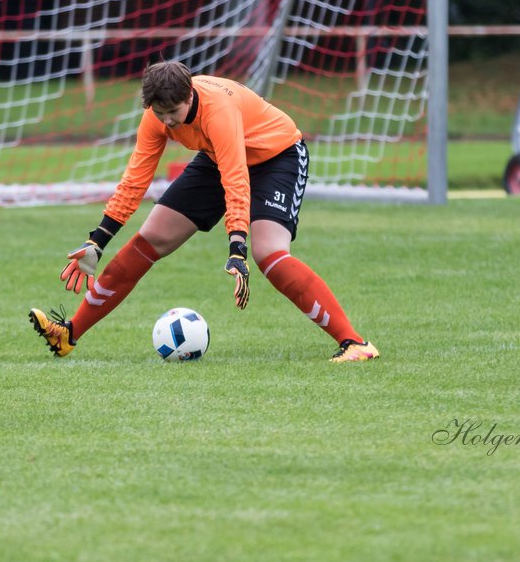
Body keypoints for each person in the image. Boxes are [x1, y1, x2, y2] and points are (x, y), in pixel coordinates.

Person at [29, 60, 379, 363]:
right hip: (215, 158)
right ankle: (68, 334)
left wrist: (237, 247)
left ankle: (354, 343)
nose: (167, 123)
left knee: (268, 253)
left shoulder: (218, 111)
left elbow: (236, 178)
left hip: (278, 157)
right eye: (160, 114)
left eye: (173, 114)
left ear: (190, 97)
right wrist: (98, 240)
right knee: (149, 239)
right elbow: (135, 179)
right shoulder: (156, 117)